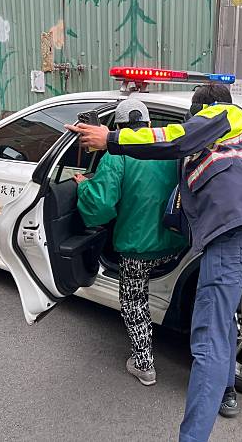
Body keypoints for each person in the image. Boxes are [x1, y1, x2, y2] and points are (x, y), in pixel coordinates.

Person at [67, 85, 242, 442]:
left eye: (193, 111)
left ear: (202, 108)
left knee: (207, 338)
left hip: (223, 231)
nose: (191, 116)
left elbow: (167, 143)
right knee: (225, 313)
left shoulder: (218, 116)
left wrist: (107, 141)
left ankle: (186, 426)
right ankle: (228, 391)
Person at [74, 98, 187, 386]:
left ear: (118, 128)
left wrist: (83, 186)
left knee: (134, 302)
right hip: (176, 245)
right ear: (149, 124)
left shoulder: (116, 154)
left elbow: (101, 204)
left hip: (137, 249)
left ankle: (144, 364)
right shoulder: (170, 150)